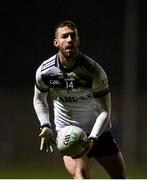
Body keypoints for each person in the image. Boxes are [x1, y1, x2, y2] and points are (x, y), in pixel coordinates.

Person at [33, 20, 127, 179]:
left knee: (120, 177)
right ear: (56, 42)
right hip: (68, 133)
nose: (69, 39)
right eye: (64, 36)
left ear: (78, 41)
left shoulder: (94, 71)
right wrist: (45, 125)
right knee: (80, 176)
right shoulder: (45, 71)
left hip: (98, 132)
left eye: (73, 36)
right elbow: (39, 98)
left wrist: (93, 138)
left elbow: (105, 111)